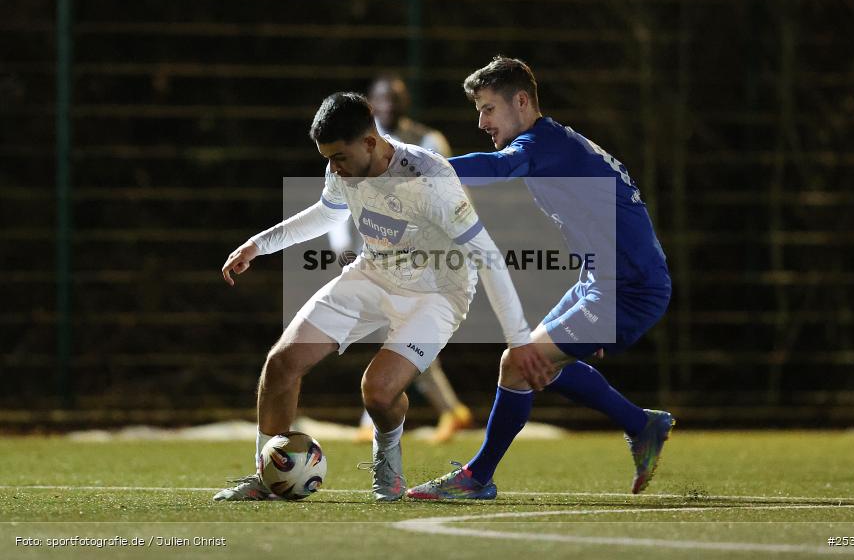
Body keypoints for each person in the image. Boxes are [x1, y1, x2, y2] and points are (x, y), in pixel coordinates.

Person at [215, 92, 548, 502]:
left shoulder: (430, 177)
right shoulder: (341, 169)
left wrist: (518, 340)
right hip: (373, 273)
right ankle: (268, 477)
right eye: (327, 158)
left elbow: (488, 256)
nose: (333, 167)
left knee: (378, 391)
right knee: (281, 364)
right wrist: (258, 244)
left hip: (439, 293)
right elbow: (328, 212)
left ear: (370, 142)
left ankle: (387, 455)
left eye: (339, 156)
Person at [406, 57, 675, 500]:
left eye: (488, 109)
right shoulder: (551, 143)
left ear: (522, 101)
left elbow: (495, 168)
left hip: (630, 289)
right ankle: (642, 425)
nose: (481, 121)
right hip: (605, 282)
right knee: (531, 365)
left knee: (518, 363)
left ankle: (476, 479)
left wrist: (416, 168)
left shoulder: (541, 144)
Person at [349, 75, 473, 445]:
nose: (389, 105)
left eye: (396, 98)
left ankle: (376, 419)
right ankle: (450, 410)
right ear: (369, 104)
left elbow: (452, 191)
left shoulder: (429, 141)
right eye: (382, 99)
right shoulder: (357, 144)